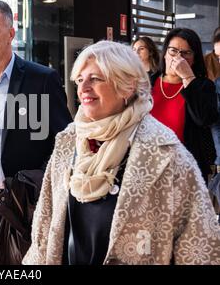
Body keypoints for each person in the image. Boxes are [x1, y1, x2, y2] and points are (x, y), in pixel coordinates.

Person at [23, 40, 220, 265]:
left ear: (127, 86)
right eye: (80, 79)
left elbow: (198, 247)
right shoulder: (68, 141)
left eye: (95, 78)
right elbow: (44, 226)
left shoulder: (166, 153)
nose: (83, 88)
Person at [0, 0, 72, 265]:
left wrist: (38, 191)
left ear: (11, 33)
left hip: (24, 208)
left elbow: (65, 146)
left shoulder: (41, 79)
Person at [150, 28, 217, 184]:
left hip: (186, 170)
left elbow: (204, 119)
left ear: (194, 58)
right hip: (150, 165)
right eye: (173, 51)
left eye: (186, 53)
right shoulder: (148, 83)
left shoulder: (203, 86)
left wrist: (188, 78)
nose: (178, 57)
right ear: (165, 53)